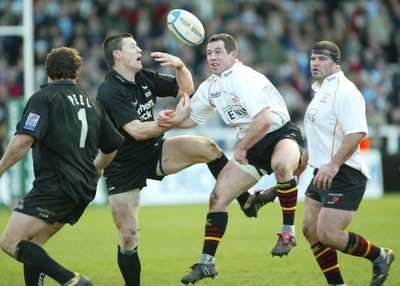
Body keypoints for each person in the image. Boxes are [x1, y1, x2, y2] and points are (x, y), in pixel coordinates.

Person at [96, 32, 274, 286]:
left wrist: (180, 65)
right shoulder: (110, 90)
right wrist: (171, 123)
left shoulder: (143, 77)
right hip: (122, 166)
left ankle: (246, 202)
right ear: (117, 55)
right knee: (128, 237)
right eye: (133, 46)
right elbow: (136, 131)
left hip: (153, 151)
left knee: (207, 147)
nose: (139, 49)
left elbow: (186, 89)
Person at [157, 33, 304, 284]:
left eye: (218, 52)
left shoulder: (245, 78)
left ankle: (287, 232)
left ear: (232, 55)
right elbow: (192, 118)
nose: (212, 57)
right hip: (253, 146)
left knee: (281, 165)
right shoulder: (211, 86)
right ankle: (207, 263)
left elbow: (265, 120)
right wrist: (172, 120)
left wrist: (242, 148)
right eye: (209, 53)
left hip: (280, 134)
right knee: (218, 197)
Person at [0, 47, 124, 286]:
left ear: (47, 70)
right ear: (77, 71)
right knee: (32, 246)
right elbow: (112, 146)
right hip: (83, 188)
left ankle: (72, 280)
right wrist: (97, 169)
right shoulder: (91, 103)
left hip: (55, 185)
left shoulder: (43, 98)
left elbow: (24, 139)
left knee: (10, 242)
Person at [300, 40, 395, 286]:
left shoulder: (345, 90)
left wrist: (332, 164)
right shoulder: (320, 89)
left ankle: (380, 255)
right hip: (322, 172)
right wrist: (306, 160)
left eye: (321, 59)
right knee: (310, 230)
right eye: (312, 59)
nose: (315, 64)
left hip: (344, 173)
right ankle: (337, 284)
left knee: (329, 234)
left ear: (335, 62)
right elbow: (322, 134)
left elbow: (356, 132)